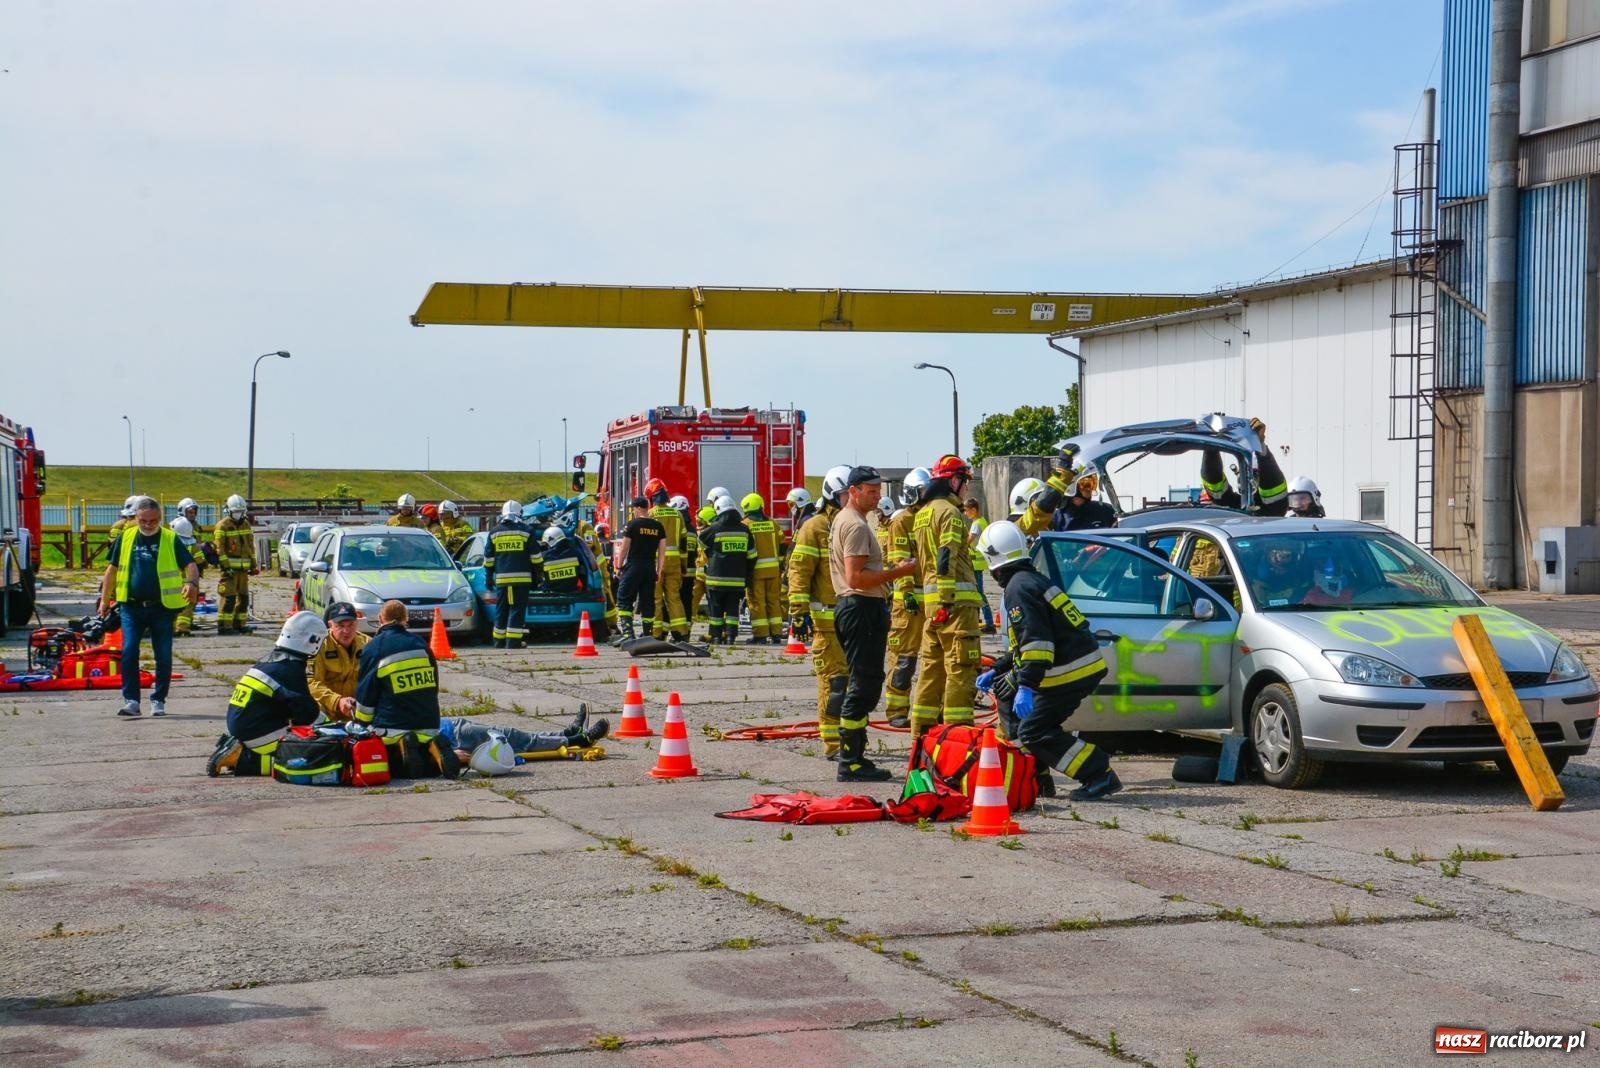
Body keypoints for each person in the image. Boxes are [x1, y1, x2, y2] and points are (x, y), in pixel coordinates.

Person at [975, 520, 1121, 801]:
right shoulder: (1031, 580)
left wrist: (1026, 685)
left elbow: (1038, 644)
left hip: (1069, 671)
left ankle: (1098, 774)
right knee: (1024, 723)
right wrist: (998, 670)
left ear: (993, 558)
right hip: (1076, 666)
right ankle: (1038, 781)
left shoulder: (1019, 588)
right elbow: (1025, 644)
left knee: (1035, 731)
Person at [830, 466, 918, 783]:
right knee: (864, 684)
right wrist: (900, 572)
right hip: (860, 606)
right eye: (870, 490)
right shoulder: (855, 525)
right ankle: (850, 761)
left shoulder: (851, 520)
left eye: (878, 491)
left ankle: (854, 757)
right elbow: (856, 577)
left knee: (865, 680)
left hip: (858, 606)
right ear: (853, 491)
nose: (877, 496)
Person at [97, 496, 201, 717]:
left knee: (162, 654)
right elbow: (112, 570)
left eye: (153, 521)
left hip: (161, 608)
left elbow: (191, 565)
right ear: (136, 517)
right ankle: (132, 700)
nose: (147, 525)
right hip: (130, 607)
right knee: (128, 651)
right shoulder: (126, 538)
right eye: (143, 520)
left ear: (160, 519)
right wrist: (105, 600)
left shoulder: (170, 539)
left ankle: (158, 700)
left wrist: (192, 583)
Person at [910, 455, 984, 740]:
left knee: (931, 672)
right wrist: (947, 600)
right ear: (954, 481)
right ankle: (957, 739)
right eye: (965, 481)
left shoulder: (923, 514)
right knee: (961, 671)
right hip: (955, 607)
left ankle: (922, 739)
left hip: (933, 609)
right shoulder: (951, 514)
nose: (966, 489)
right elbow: (945, 556)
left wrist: (937, 604)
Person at [206, 613, 326, 776]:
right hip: (257, 731)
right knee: (305, 758)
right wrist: (328, 726)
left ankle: (236, 748)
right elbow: (306, 712)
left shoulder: (270, 660)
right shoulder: (290, 668)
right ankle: (241, 758)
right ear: (312, 641)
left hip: (243, 724)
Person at [788, 470, 849, 759]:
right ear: (832, 495)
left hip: (854, 619)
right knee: (834, 682)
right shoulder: (815, 527)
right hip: (826, 621)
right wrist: (798, 613)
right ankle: (833, 743)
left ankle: (852, 741)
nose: (851, 499)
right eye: (846, 494)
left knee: (855, 683)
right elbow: (799, 572)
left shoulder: (853, 524)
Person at [355, 600, 454, 776]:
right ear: (405, 619)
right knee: (423, 754)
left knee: (389, 760)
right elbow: (434, 686)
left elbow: (366, 695)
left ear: (380, 618)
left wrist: (361, 724)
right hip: (429, 723)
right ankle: (433, 748)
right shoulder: (421, 644)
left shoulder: (374, 648)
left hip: (392, 727)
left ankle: (403, 746)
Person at [883, 467, 930, 729]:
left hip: (933, 599)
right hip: (909, 603)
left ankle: (930, 709)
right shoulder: (902, 521)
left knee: (935, 658)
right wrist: (908, 590)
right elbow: (899, 561)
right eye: (923, 492)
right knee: (904, 657)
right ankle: (897, 709)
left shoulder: (933, 516)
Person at [700, 494, 757, 644]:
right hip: (737, 580)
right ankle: (731, 636)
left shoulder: (715, 528)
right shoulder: (744, 530)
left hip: (716, 579)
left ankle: (717, 636)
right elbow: (752, 556)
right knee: (732, 610)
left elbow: (700, 541)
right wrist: (748, 574)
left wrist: (709, 553)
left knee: (716, 610)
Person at [486, 500, 540, 648]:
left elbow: (488, 560)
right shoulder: (527, 531)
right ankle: (513, 642)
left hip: (502, 581)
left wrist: (489, 578)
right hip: (522, 580)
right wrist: (537, 578)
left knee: (501, 610)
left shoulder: (494, 532)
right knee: (517, 610)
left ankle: (498, 641)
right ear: (520, 513)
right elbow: (536, 559)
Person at [614, 496, 666, 644]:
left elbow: (624, 548)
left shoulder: (632, 525)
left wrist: (618, 566)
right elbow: (662, 552)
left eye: (633, 509)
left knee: (624, 598)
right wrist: (659, 570)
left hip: (634, 566)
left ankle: (628, 634)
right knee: (647, 601)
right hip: (650, 567)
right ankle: (647, 634)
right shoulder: (658, 526)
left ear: (637, 508)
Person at [308, 601, 368, 721]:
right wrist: (337, 701)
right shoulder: (318, 646)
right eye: (340, 625)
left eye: (350, 625)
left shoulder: (368, 644)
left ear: (356, 624)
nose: (346, 631)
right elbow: (311, 682)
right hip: (328, 713)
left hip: (358, 712)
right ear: (330, 625)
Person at [646, 479, 690, 641]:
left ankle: (656, 634)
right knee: (674, 597)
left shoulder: (650, 515)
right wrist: (683, 564)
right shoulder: (678, 515)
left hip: (657, 563)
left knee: (656, 599)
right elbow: (684, 543)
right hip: (675, 563)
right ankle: (682, 633)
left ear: (652, 498)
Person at [741, 493, 784, 645]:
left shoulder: (745, 525)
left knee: (756, 602)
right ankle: (777, 633)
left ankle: (760, 635)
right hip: (773, 571)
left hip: (756, 572)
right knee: (773, 601)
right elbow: (781, 541)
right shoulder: (772, 524)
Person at [212, 493, 256, 635]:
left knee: (243, 599)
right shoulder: (222, 526)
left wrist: (253, 564)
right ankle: (224, 627)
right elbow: (220, 548)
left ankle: (239, 624)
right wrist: (225, 566)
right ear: (229, 511)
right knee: (229, 598)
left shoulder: (246, 524)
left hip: (243, 571)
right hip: (229, 571)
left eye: (240, 512)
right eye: (235, 512)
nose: (238, 514)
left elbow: (250, 545)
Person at [964, 497, 998, 634]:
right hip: (978, 563)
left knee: (979, 594)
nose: (965, 514)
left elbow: (968, 541)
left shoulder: (977, 524)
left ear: (973, 509)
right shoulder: (981, 521)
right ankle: (976, 620)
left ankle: (989, 623)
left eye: (967, 511)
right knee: (976, 593)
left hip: (976, 563)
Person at [170, 516, 203, 638]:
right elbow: (200, 561)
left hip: (172, 580)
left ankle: (172, 628)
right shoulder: (193, 545)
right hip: (189, 580)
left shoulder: (169, 543)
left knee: (172, 605)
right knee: (188, 605)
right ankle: (183, 629)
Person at [539, 525, 585, 593]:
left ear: (551, 540)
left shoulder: (545, 556)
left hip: (550, 592)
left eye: (547, 544)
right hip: (572, 590)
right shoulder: (575, 553)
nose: (547, 547)